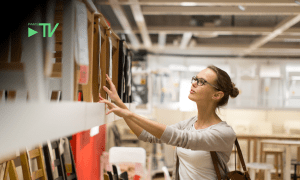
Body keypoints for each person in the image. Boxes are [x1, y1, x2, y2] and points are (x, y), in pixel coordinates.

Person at [99, 65, 239, 180]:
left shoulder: (224, 133)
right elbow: (147, 135)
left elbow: (181, 138)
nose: (194, 83)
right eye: (195, 78)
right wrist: (120, 104)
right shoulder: (189, 124)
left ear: (217, 95)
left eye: (202, 81)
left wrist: (130, 114)